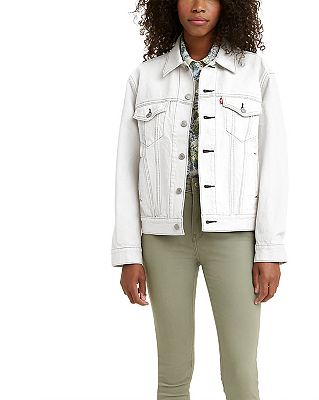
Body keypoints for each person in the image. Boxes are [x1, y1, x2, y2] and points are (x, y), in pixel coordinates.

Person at [111, 1, 289, 399]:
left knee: (240, 373)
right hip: (163, 235)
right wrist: (128, 252)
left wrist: (269, 249)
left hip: (235, 234)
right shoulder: (145, 77)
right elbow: (126, 169)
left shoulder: (253, 72)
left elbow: (273, 162)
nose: (197, 6)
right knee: (172, 373)